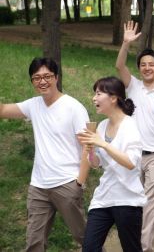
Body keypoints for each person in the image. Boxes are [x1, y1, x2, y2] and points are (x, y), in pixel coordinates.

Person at [0, 57, 89, 251]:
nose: (42, 81)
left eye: (47, 76)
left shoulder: (74, 108)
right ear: (32, 81)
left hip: (67, 183)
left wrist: (79, 182)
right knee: (34, 242)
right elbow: (3, 110)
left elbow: (88, 147)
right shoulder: (33, 105)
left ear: (56, 77)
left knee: (84, 237)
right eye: (36, 78)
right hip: (38, 186)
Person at [115, 21, 154, 251]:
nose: (147, 68)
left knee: (149, 203)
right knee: (139, 201)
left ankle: (142, 247)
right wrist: (125, 43)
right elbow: (119, 65)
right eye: (143, 64)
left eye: (151, 64)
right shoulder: (132, 86)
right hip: (132, 155)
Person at [77, 76, 147, 252]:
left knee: (131, 248)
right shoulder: (101, 126)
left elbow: (131, 162)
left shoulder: (130, 126)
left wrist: (103, 144)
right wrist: (90, 149)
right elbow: (96, 164)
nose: (94, 98)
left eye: (99, 93)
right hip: (104, 197)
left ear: (114, 97)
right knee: (89, 247)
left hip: (128, 199)